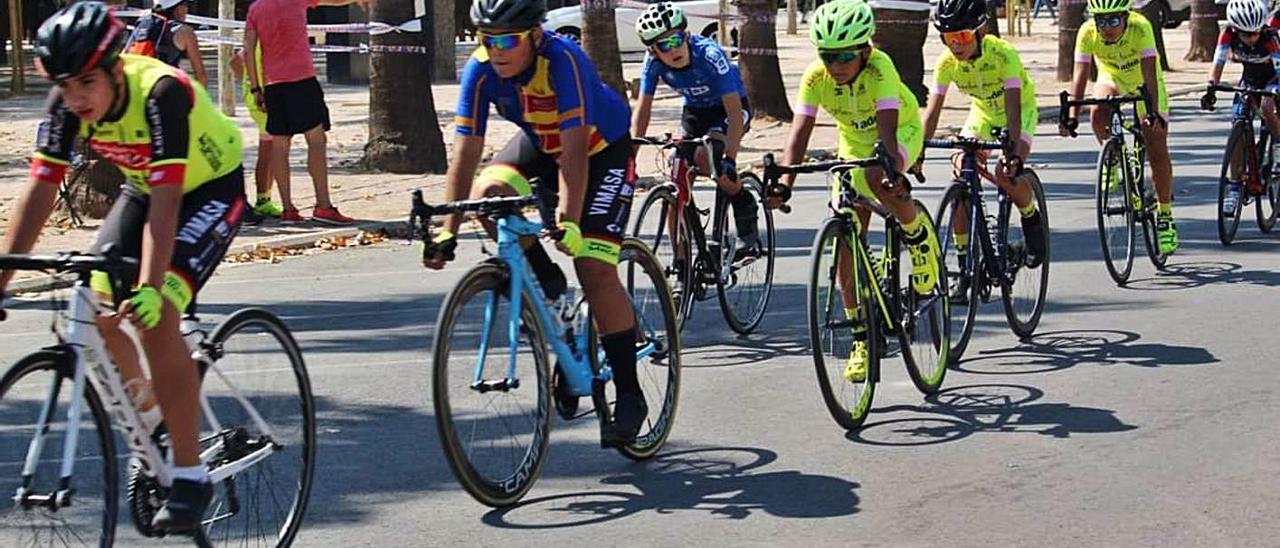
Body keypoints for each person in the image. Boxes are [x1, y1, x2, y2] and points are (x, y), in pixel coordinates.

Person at [0, 2, 246, 533]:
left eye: (87, 81)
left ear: (115, 68)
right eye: (65, 86)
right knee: (93, 310)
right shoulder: (68, 105)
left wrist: (153, 288)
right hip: (144, 190)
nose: (76, 97)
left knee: (154, 314)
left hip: (208, 189)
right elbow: (41, 190)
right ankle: (155, 422)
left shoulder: (161, 93)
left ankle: (189, 475)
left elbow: (167, 202)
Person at [422, 0, 648, 446]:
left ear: (535, 36)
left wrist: (569, 218)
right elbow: (466, 152)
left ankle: (629, 392)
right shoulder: (482, 68)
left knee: (593, 264)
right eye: (488, 40)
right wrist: (447, 227)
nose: (497, 50)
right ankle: (549, 287)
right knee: (487, 197)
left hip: (601, 152)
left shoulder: (564, 60)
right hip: (542, 146)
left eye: (508, 40)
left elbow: (576, 150)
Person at [764, 0, 942, 383]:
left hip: (900, 134)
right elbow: (799, 134)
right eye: (829, 56)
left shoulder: (881, 69)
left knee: (880, 178)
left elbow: (888, 135)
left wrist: (894, 170)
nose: (836, 65)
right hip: (852, 144)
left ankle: (920, 242)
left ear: (864, 49)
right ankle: (862, 340)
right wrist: (784, 182)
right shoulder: (815, 77)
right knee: (844, 237)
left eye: (845, 55)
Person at [921, 0, 1047, 302]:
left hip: (1017, 113)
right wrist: (917, 152)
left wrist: (1013, 151)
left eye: (962, 37)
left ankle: (1031, 218)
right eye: (948, 39)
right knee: (961, 171)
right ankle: (964, 265)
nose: (956, 46)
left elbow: (1014, 105)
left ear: (980, 31)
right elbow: (933, 111)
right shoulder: (946, 64)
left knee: (1006, 172)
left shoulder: (1003, 54)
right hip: (983, 116)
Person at [631, 1, 759, 263]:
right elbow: (642, 111)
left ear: (686, 35)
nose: (673, 49)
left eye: (676, 39)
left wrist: (730, 160)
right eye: (664, 45)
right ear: (653, 50)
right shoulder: (652, 63)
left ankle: (742, 200)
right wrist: (631, 157)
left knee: (708, 156)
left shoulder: (709, 55)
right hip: (695, 112)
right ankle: (681, 264)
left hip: (729, 110)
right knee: (676, 172)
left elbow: (735, 114)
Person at [1061, 0, 1178, 255]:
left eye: (1113, 20)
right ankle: (1112, 158)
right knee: (1096, 111)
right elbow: (1079, 76)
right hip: (1111, 76)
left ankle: (1165, 215)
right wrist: (1071, 116)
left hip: (1144, 82)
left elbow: (1149, 73)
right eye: (1100, 21)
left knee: (1156, 142)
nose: (1107, 28)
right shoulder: (1087, 32)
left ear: (1126, 16)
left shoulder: (1141, 27)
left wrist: (1152, 113)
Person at [244, 0, 366, 225]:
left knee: (280, 145)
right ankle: (323, 205)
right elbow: (333, 1)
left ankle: (288, 208)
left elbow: (248, 50)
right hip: (302, 80)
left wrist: (255, 87)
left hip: (273, 84)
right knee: (316, 140)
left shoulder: (256, 9)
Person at [1202, 0, 1280, 213]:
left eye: (1256, 32)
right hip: (1249, 80)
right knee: (1237, 123)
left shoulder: (1270, 38)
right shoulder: (1227, 35)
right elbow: (1217, 64)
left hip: (1272, 80)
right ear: (1235, 29)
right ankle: (1234, 187)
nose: (1252, 38)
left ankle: (1278, 146)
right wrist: (1211, 88)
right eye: (1246, 34)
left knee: (1267, 106)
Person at [231, 43, 285, 218]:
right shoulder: (264, 41)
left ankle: (265, 198)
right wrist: (254, 87)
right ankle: (262, 199)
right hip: (264, 101)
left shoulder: (255, 41)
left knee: (269, 151)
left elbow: (235, 61)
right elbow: (237, 63)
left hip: (260, 98)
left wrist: (247, 84)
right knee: (268, 152)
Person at [124, 0, 207, 87]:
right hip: (165, 89)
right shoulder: (185, 31)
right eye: (186, 4)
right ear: (177, 8)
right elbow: (201, 75)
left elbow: (125, 56)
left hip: (139, 87)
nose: (187, 9)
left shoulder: (141, 24)